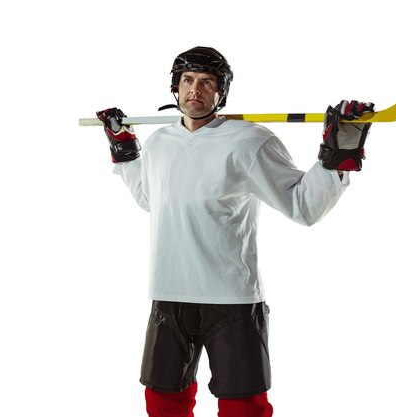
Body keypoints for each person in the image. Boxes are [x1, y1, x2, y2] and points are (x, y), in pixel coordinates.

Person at [96, 46, 374, 417]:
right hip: (169, 293)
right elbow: (151, 197)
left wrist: (338, 153)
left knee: (244, 407)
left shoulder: (248, 142)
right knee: (163, 402)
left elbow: (303, 206)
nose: (195, 89)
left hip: (232, 298)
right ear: (175, 88)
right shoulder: (160, 142)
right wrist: (125, 151)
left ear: (220, 93)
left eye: (207, 82)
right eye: (188, 80)